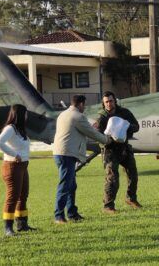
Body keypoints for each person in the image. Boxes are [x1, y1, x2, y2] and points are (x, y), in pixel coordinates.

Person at [52, 95, 111, 224]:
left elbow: (80, 130)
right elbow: (92, 133)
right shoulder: (78, 116)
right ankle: (59, 216)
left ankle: (72, 213)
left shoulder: (63, 114)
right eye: (84, 105)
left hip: (60, 153)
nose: (85, 107)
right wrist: (107, 140)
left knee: (71, 185)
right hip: (67, 154)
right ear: (80, 104)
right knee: (65, 185)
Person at [93, 92, 141, 213]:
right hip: (110, 150)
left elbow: (136, 126)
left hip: (124, 147)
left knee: (133, 174)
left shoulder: (124, 112)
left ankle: (131, 198)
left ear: (115, 101)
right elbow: (96, 133)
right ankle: (108, 205)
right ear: (103, 104)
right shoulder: (102, 117)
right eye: (106, 102)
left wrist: (125, 127)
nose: (109, 104)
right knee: (112, 178)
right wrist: (107, 137)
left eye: (111, 101)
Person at [0, 104, 36, 236]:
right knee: (12, 197)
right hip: (12, 166)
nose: (27, 116)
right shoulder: (10, 128)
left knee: (23, 195)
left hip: (23, 166)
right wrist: (13, 154)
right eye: (26, 113)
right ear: (20, 115)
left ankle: (22, 224)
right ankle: (8, 228)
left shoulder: (20, 129)